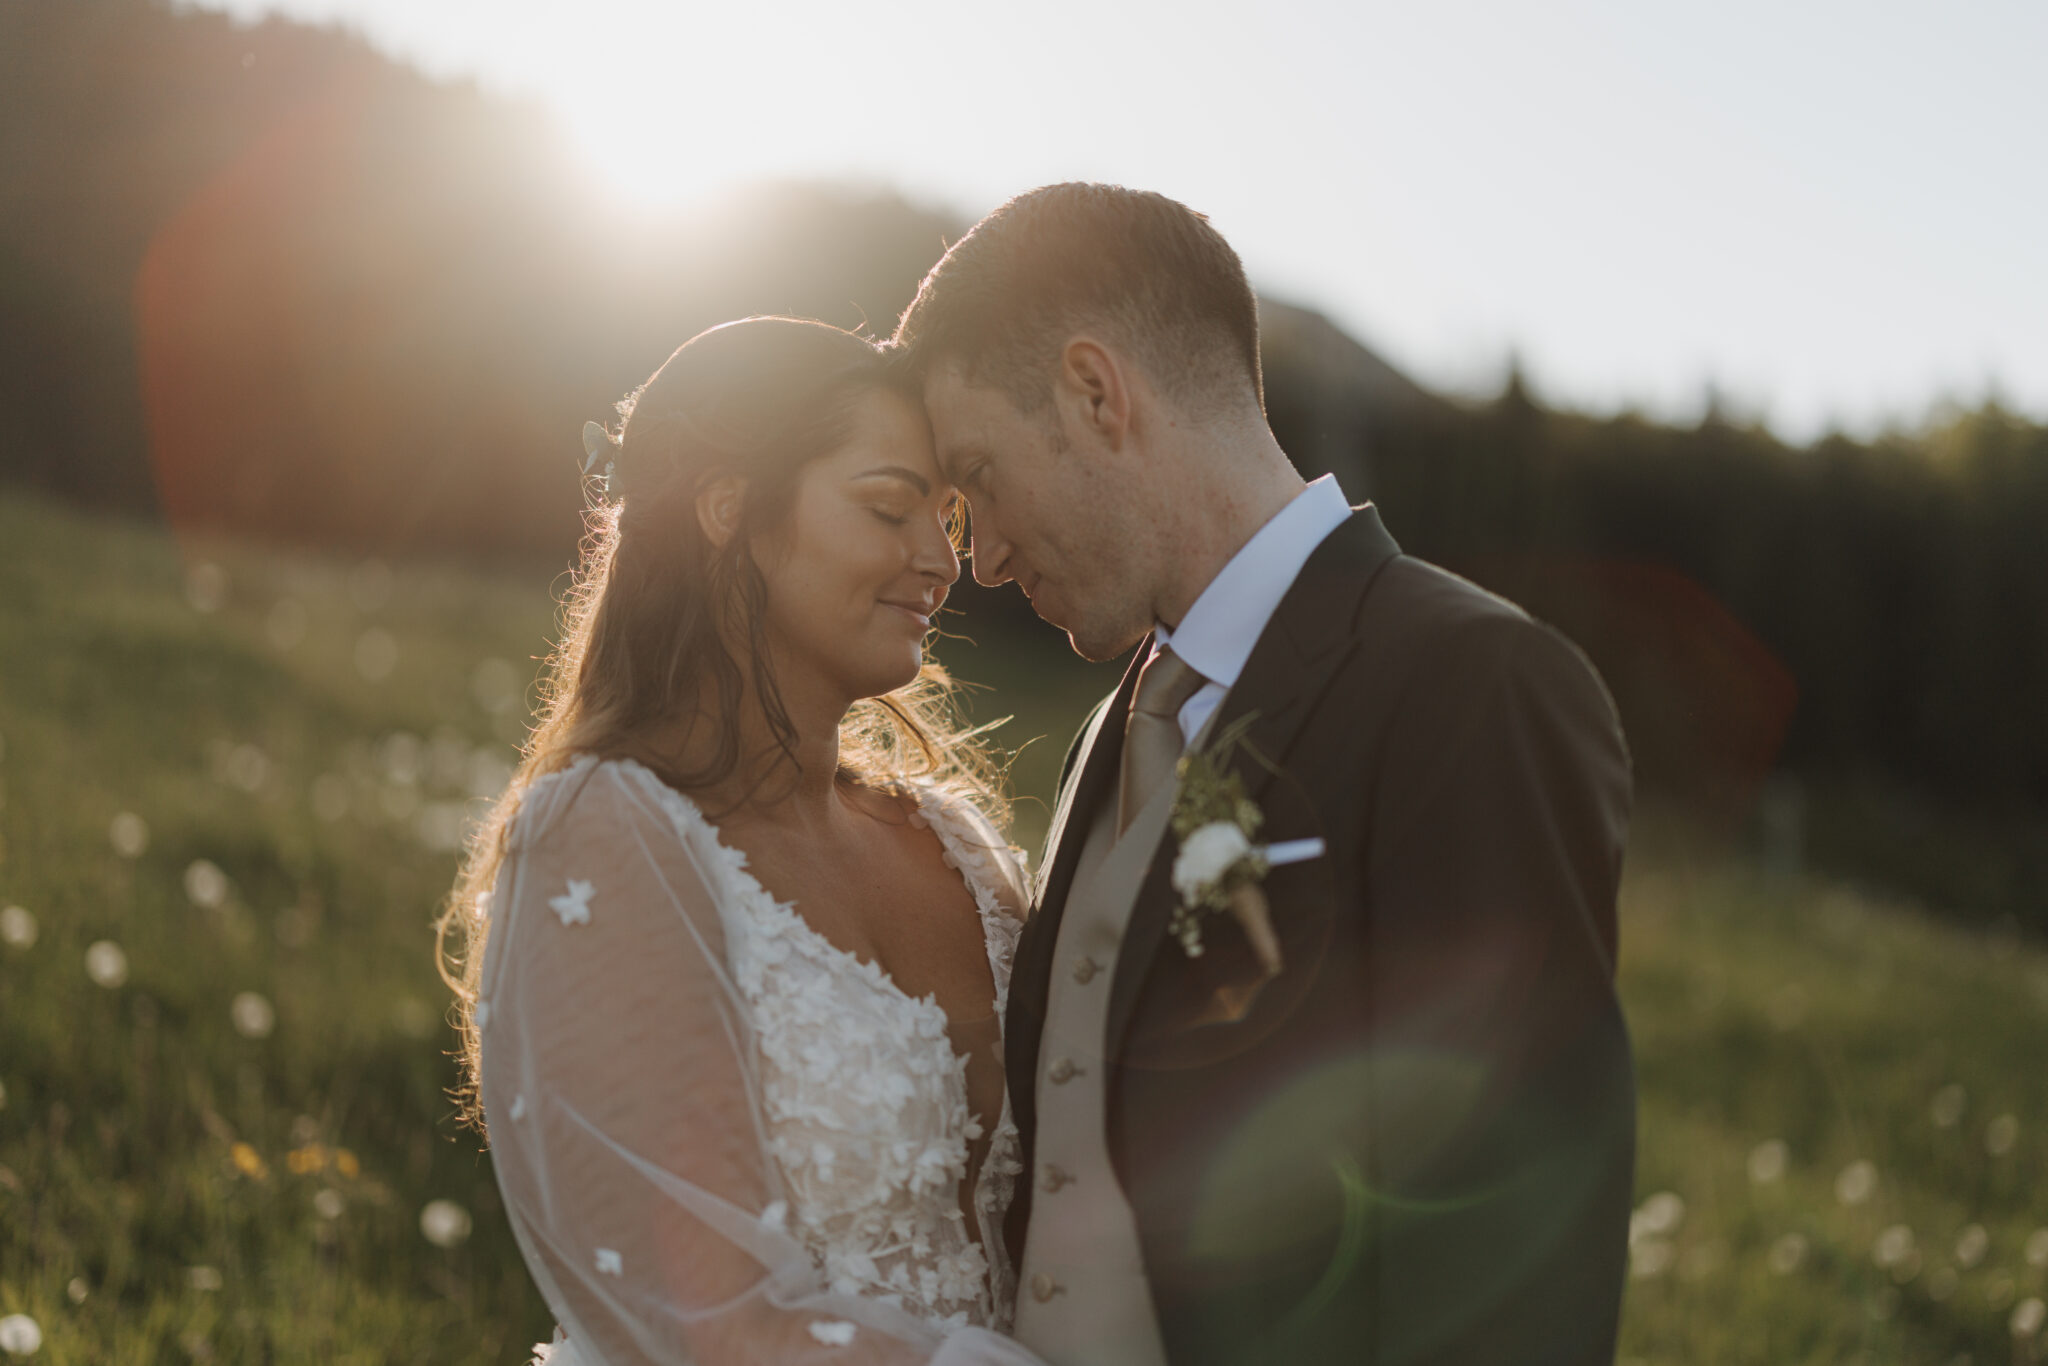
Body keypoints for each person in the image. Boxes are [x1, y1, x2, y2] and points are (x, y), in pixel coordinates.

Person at [892, 183, 1636, 1366]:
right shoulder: (1114, 724)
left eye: (978, 475)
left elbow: (1511, 1263)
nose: (975, 555)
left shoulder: (1469, 682)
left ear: (1095, 392)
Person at [437, 317, 1049, 1365]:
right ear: (729, 507)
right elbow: (698, 1317)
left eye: (944, 517)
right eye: (889, 506)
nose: (939, 560)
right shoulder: (605, 838)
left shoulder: (953, 844)